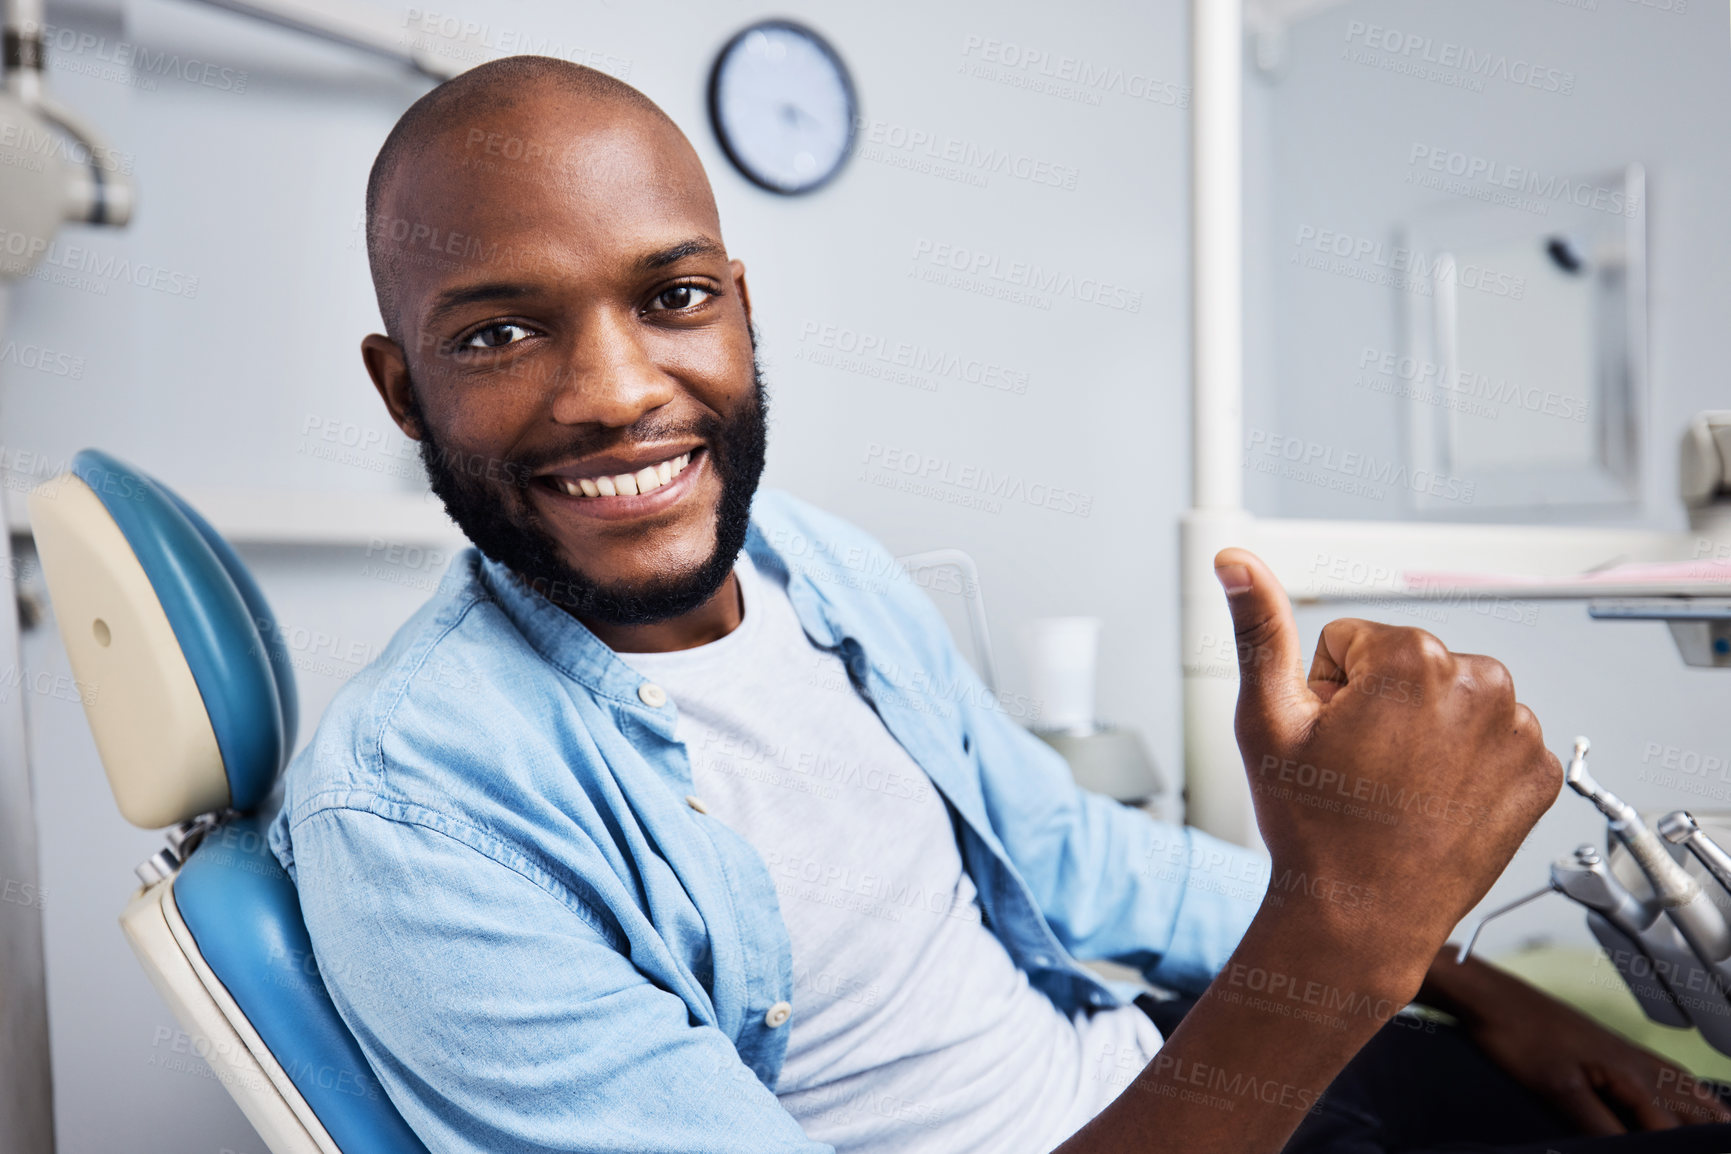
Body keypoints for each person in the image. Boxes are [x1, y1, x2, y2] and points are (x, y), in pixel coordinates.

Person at [267, 54, 1731, 1153]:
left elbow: (1075, 852)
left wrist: (1465, 980)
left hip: (1174, 1078)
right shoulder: (417, 821)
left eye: (673, 297)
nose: (619, 392)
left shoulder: (812, 569)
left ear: (740, 305)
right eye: (502, 331)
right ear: (404, 390)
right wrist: (1347, 931)